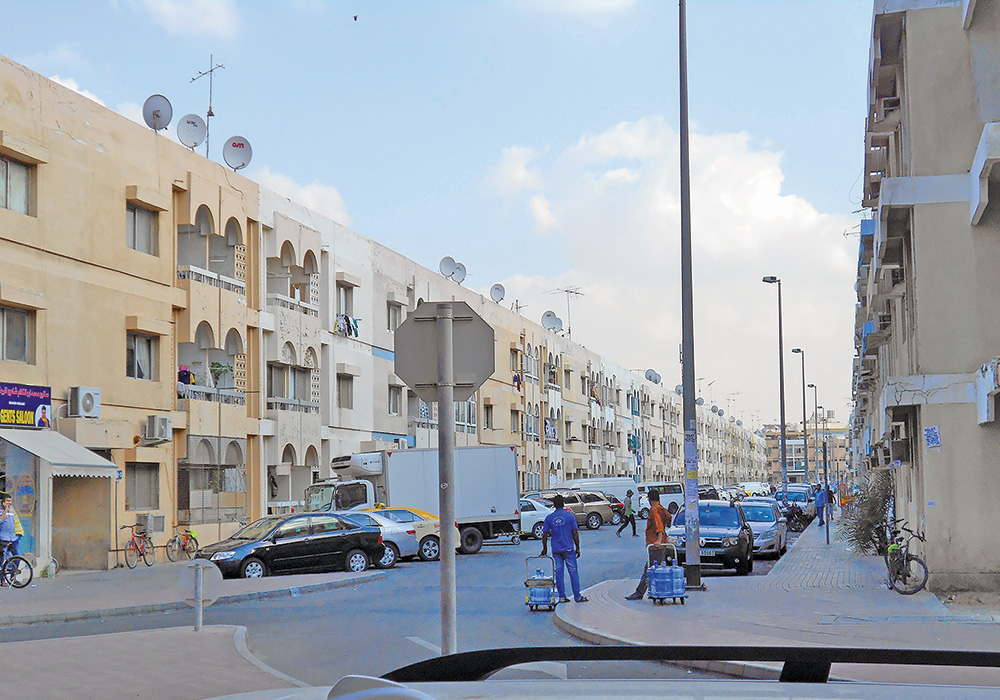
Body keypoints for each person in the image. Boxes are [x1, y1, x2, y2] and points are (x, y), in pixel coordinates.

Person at [625, 489, 672, 600]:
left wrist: (659, 540)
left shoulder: (654, 509)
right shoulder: (661, 508)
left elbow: (659, 526)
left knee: (648, 570)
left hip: (655, 545)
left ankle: (640, 592)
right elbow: (668, 518)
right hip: (662, 545)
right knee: (655, 568)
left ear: (649, 499)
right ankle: (654, 590)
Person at [540, 494, 588, 603]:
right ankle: (577, 596)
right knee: (573, 572)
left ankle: (562, 597)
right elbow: (575, 532)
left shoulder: (549, 518)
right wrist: (578, 547)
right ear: (563, 504)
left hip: (556, 550)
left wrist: (544, 548)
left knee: (559, 573)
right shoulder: (570, 516)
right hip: (568, 549)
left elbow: (544, 534)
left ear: (554, 505)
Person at [0, 494, 23, 558]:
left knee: (17, 555)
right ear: (3, 502)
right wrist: (5, 510)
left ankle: (13, 564)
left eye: (10, 501)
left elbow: (13, 522)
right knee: (3, 557)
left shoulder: (11, 510)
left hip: (12, 537)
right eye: (7, 501)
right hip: (3, 538)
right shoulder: (2, 510)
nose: (9, 503)